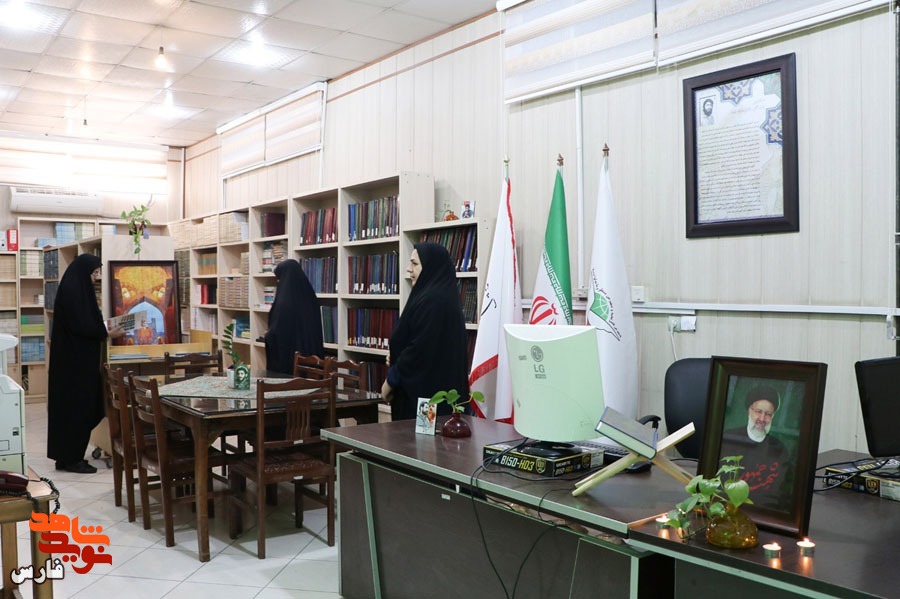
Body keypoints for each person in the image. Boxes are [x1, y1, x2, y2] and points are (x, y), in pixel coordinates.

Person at [47, 254, 124, 474]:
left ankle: (66, 456)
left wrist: (103, 328)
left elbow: (85, 322)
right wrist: (107, 332)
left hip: (72, 362)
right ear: (83, 272)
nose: (96, 277)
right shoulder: (75, 292)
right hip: (76, 366)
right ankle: (73, 459)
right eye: (94, 273)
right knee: (78, 409)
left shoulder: (73, 288)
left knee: (71, 409)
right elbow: (83, 326)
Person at [381, 242, 469, 420]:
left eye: (414, 263)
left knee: (419, 438)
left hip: (426, 404)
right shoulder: (439, 297)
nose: (408, 269)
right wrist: (397, 353)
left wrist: (390, 381)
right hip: (433, 400)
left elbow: (419, 351)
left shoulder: (432, 301)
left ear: (430, 267)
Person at [720, 385, 792, 509]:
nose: (762, 419)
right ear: (749, 411)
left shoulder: (780, 450)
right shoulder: (728, 440)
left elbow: (780, 495)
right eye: (758, 411)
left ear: (773, 416)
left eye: (768, 414)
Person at [264, 259, 323, 375]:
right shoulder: (310, 297)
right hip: (311, 364)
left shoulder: (283, 303)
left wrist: (267, 336)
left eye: (279, 279)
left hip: (288, 365)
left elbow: (277, 332)